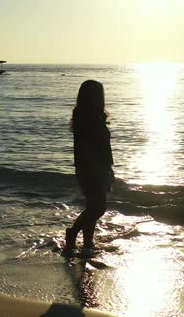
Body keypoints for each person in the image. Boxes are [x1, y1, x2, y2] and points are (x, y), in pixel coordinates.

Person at [65, 80, 115, 252]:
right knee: (98, 208)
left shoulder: (96, 116)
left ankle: (87, 242)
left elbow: (104, 147)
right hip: (91, 168)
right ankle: (72, 233)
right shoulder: (85, 118)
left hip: (98, 166)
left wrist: (109, 168)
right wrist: (98, 168)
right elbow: (85, 147)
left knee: (92, 207)